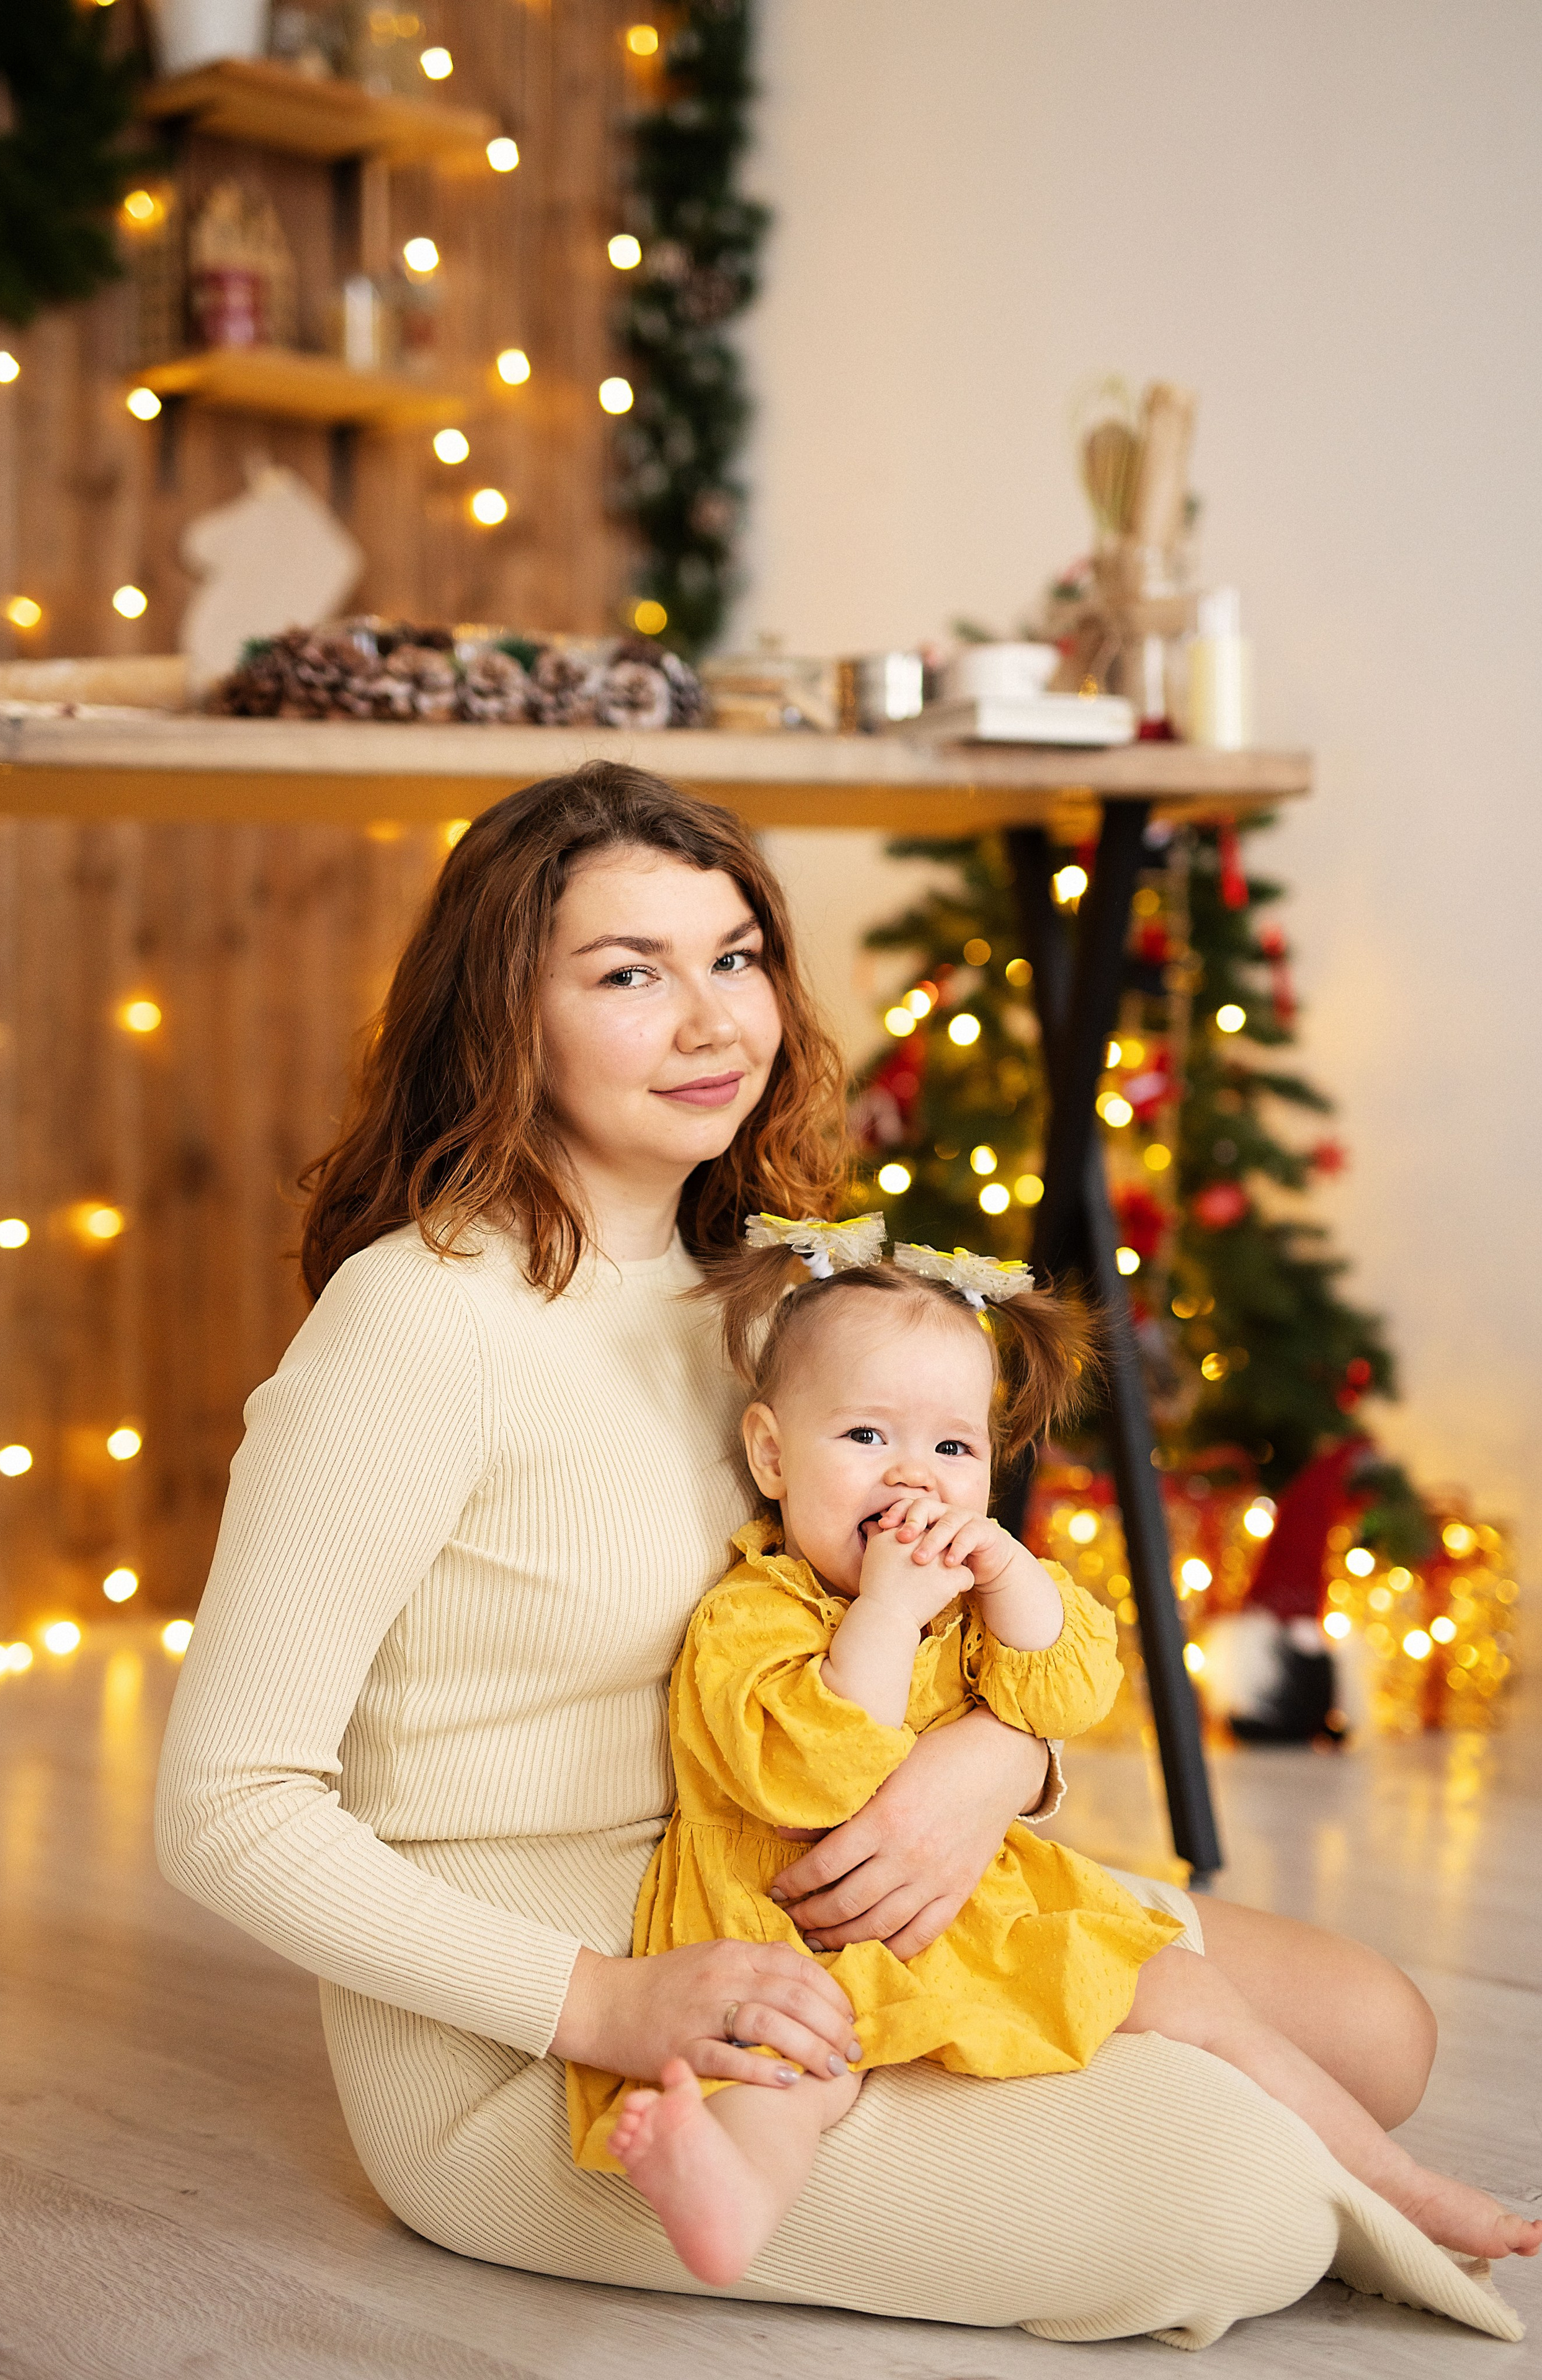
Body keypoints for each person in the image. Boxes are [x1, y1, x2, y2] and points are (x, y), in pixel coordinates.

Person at [154, 760, 1515, 2348]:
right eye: (626, 973)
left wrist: (994, 1767)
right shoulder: (416, 1324)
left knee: (1374, 2033)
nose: (713, 1021)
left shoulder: (768, 1292)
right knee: (1246, 2201)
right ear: (499, 1019)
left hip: (823, 1872)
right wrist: (601, 1999)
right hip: (557, 2011)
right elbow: (224, 1808)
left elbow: (939, 1595)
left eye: (733, 957)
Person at [565, 1228, 1541, 2286]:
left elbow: (1070, 1690)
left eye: (954, 1449)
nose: (914, 1478)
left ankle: (1399, 2182)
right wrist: (888, 1613)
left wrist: (1012, 1579)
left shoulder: (976, 1587)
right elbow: (814, 1775)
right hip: (791, 1929)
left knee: (1197, 1994)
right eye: (863, 1434)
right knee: (789, 2070)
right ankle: (726, 2196)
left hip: (980, 1910)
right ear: (769, 1454)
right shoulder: (754, 1612)